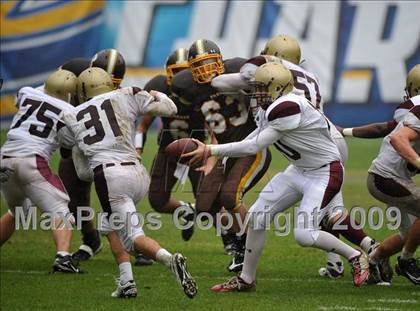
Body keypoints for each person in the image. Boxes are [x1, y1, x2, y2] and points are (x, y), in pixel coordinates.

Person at [183, 62, 369, 291]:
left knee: (304, 234)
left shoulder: (288, 105)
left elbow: (255, 146)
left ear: (278, 88)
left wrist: (211, 150)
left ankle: (355, 256)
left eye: (261, 88)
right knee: (257, 217)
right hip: (298, 170)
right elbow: (253, 137)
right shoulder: (267, 107)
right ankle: (246, 279)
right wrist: (219, 154)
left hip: (324, 171)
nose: (256, 93)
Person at [211, 34, 380, 280]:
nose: (255, 88)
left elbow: (228, 83)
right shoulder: (306, 78)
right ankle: (356, 255)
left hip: (316, 149)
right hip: (321, 140)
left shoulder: (272, 84)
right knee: (331, 213)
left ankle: (362, 255)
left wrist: (216, 78)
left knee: (319, 218)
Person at [62, 67, 198, 298]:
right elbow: (170, 108)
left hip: (111, 179)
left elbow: (83, 173)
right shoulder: (126, 94)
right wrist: (158, 95)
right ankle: (126, 283)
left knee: (133, 239)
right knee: (108, 227)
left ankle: (169, 259)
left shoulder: (72, 116)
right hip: (138, 173)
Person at [171, 39, 272, 272]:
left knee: (229, 197)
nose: (206, 70)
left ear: (220, 61)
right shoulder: (189, 87)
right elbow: (213, 128)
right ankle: (237, 240)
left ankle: (245, 247)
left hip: (249, 147)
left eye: (210, 63)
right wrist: (211, 159)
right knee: (206, 206)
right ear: (191, 69)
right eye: (199, 65)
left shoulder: (235, 72)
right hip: (224, 151)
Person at [0, 69, 82, 273]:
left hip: (5, 158)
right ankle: (63, 258)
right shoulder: (68, 110)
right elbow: (68, 142)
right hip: (32, 161)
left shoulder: (27, 92)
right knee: (62, 211)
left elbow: (27, 106)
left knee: (18, 211)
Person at [136, 48, 205, 244]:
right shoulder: (159, 88)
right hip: (168, 149)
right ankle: (187, 210)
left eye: (186, 71)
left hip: (197, 150)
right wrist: (137, 150)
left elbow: (215, 128)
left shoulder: (202, 90)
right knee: (157, 200)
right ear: (168, 73)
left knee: (209, 202)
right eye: (177, 71)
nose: (182, 77)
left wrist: (214, 154)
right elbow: (142, 126)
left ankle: (231, 240)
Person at [366, 64, 420, 285]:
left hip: (396, 178)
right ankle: (406, 261)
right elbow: (398, 139)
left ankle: (372, 260)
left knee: (410, 235)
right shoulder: (415, 108)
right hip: (384, 177)